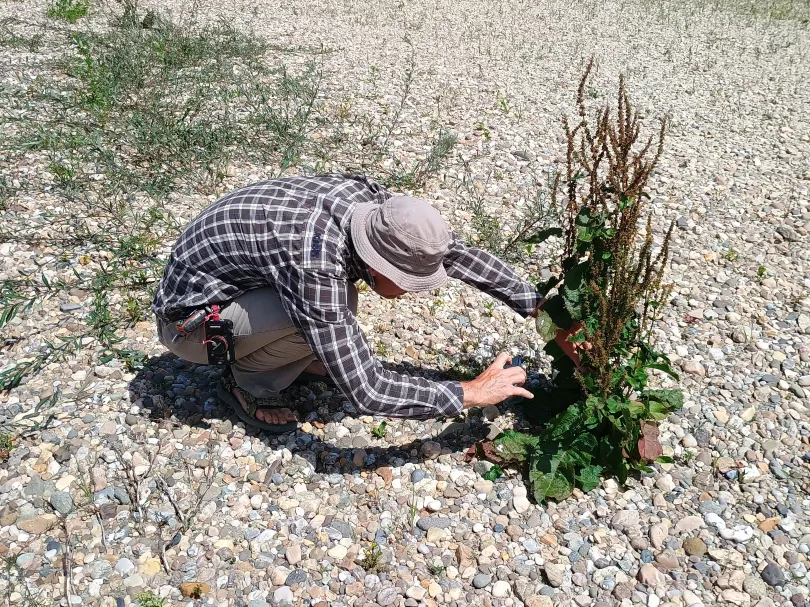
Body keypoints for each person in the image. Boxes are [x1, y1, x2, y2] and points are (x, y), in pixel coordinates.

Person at [152, 173, 584, 433]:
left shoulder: (373, 209)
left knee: (333, 314)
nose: (421, 288)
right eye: (410, 281)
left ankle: (287, 356)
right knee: (334, 307)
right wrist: (467, 393)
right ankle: (246, 382)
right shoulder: (313, 262)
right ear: (377, 266)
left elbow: (453, 253)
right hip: (190, 326)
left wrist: (546, 313)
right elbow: (369, 390)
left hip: (233, 289)